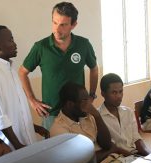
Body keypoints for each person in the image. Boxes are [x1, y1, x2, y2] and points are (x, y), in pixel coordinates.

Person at [19, 2, 99, 130]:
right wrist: (32, 100)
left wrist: (91, 95)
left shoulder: (83, 44)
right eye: (54, 23)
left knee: (84, 148)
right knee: (55, 149)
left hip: (79, 111)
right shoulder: (41, 47)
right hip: (51, 113)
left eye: (63, 25)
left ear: (73, 25)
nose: (57, 29)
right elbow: (22, 72)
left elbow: (94, 69)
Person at [0, 25, 49, 150]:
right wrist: (17, 146)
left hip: (25, 141)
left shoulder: (10, 68)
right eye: (10, 40)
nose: (15, 44)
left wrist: (34, 127)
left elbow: (16, 110)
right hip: (11, 145)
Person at [49, 82, 118, 163]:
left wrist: (97, 116)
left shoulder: (88, 116)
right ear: (70, 104)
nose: (89, 104)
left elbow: (107, 144)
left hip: (112, 161)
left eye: (88, 99)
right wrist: (110, 151)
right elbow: (81, 162)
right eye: (84, 100)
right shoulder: (59, 129)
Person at [98, 73, 150, 157]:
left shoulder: (128, 112)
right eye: (114, 92)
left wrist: (149, 156)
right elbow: (113, 148)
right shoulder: (98, 117)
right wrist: (135, 158)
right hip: (116, 159)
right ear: (103, 94)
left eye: (120, 91)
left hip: (134, 155)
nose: (119, 96)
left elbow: (137, 139)